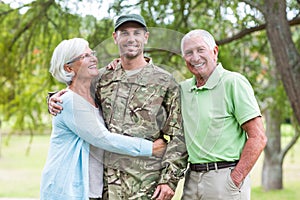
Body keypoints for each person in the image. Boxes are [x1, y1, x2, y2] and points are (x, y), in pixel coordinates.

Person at [48, 14, 188, 200]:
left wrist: (169, 180)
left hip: (145, 187)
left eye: (137, 33)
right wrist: (52, 99)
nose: (131, 38)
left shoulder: (165, 82)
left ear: (145, 37)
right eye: (124, 33)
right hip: (104, 188)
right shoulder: (101, 77)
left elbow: (179, 135)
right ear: (115, 37)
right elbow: (75, 95)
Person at [180, 29, 267, 200]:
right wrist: (121, 65)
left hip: (224, 180)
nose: (195, 57)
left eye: (200, 50)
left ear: (215, 51)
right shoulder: (182, 90)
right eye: (189, 53)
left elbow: (258, 137)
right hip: (192, 179)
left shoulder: (233, 82)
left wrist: (235, 178)